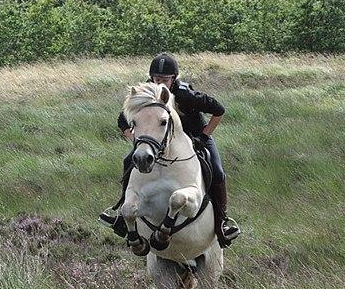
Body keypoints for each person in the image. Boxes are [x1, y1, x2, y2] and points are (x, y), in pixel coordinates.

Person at [99, 52, 240, 248]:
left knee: (216, 169)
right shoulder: (146, 95)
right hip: (158, 140)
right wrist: (135, 140)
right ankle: (121, 216)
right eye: (157, 79)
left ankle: (223, 222)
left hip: (195, 135)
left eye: (165, 79)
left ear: (174, 78)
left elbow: (219, 110)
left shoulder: (185, 95)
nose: (160, 83)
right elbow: (123, 120)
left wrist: (204, 136)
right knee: (128, 160)